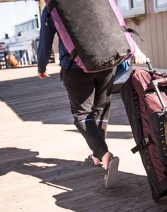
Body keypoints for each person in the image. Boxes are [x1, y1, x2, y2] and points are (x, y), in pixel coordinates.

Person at [37, 6, 147, 188]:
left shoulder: (53, 5)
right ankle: (97, 155)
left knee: (82, 115)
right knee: (100, 110)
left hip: (75, 66)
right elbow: (118, 23)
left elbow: (45, 40)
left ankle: (103, 154)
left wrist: (41, 66)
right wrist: (134, 50)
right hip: (106, 61)